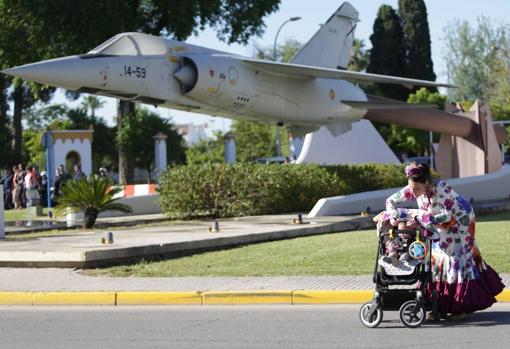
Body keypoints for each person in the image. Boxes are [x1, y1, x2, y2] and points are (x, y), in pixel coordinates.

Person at [385, 162, 505, 321]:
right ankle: (437, 305)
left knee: (455, 259)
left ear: (426, 183)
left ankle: (461, 307)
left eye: (416, 189)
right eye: (410, 188)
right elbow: (390, 201)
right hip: (437, 223)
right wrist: (395, 216)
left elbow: (447, 216)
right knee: (437, 258)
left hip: (460, 223)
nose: (413, 193)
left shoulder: (440, 189)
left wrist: (419, 219)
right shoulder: (413, 188)